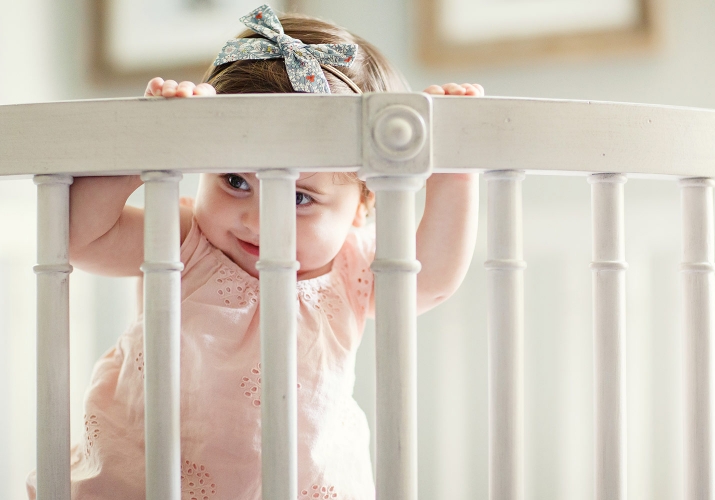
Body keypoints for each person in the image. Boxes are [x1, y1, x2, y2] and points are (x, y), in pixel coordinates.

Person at [27, 4, 481, 499]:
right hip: (147, 482)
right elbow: (78, 238)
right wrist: (152, 143)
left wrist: (455, 173)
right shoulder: (184, 239)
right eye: (235, 181)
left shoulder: (350, 264)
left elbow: (431, 280)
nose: (258, 221)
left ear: (362, 207)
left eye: (300, 198)